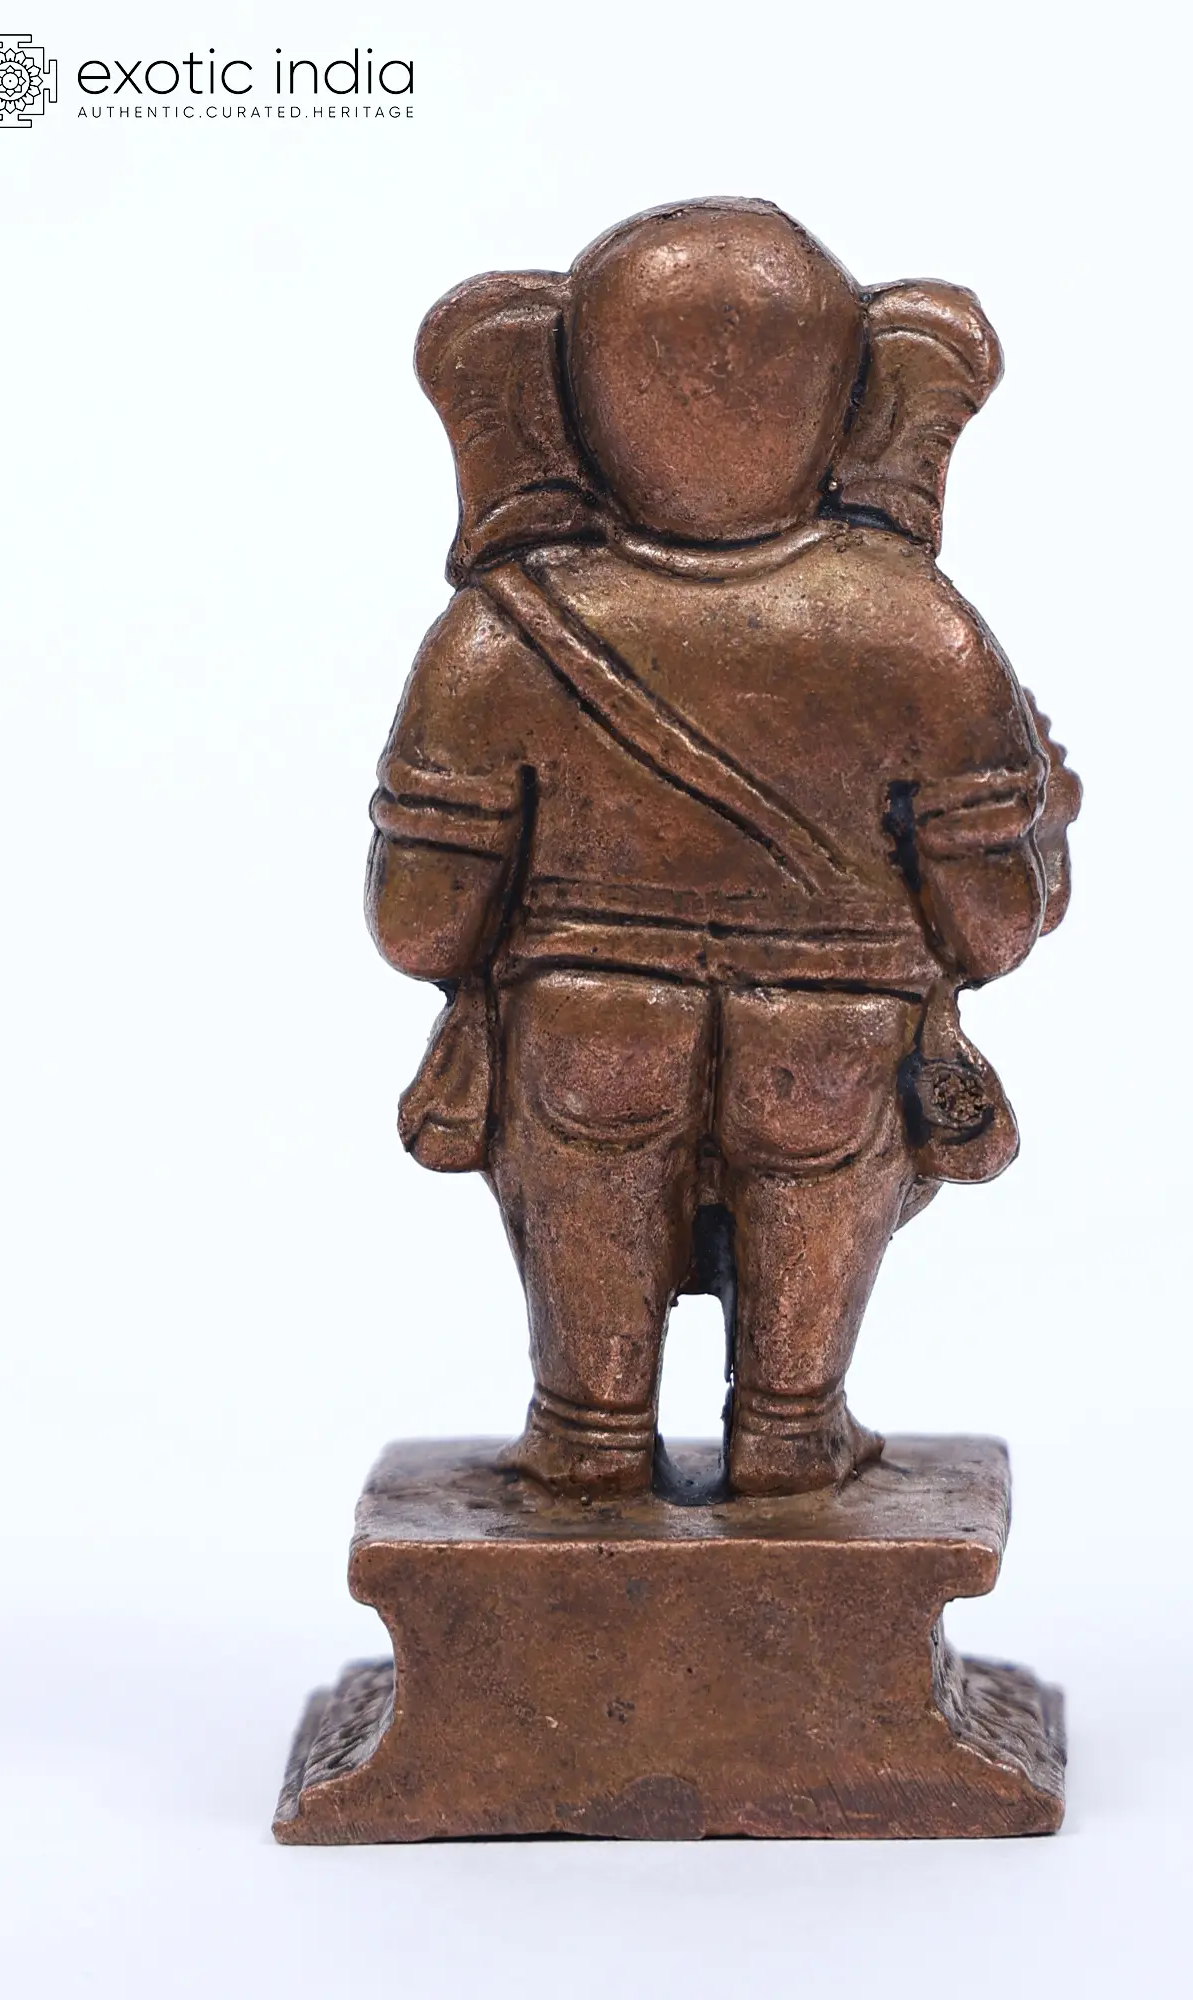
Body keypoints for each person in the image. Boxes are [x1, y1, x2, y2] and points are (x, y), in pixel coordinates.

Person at [366, 199, 1080, 1497]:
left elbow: (420, 925)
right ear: (851, 397)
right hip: (838, 1038)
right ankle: (794, 1436)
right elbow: (992, 928)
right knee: (799, 1412)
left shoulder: (496, 636)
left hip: (583, 1029)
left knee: (584, 1417)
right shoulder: (923, 634)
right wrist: (1045, 825)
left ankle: (588, 1441)